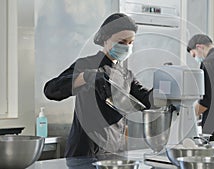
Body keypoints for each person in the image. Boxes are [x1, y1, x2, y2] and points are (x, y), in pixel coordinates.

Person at [44, 13, 153, 158]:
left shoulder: (127, 75)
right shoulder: (86, 64)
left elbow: (147, 100)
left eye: (130, 42)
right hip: (85, 150)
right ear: (106, 39)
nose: (127, 47)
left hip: (114, 151)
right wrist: (88, 77)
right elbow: (51, 90)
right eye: (121, 42)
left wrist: (167, 90)